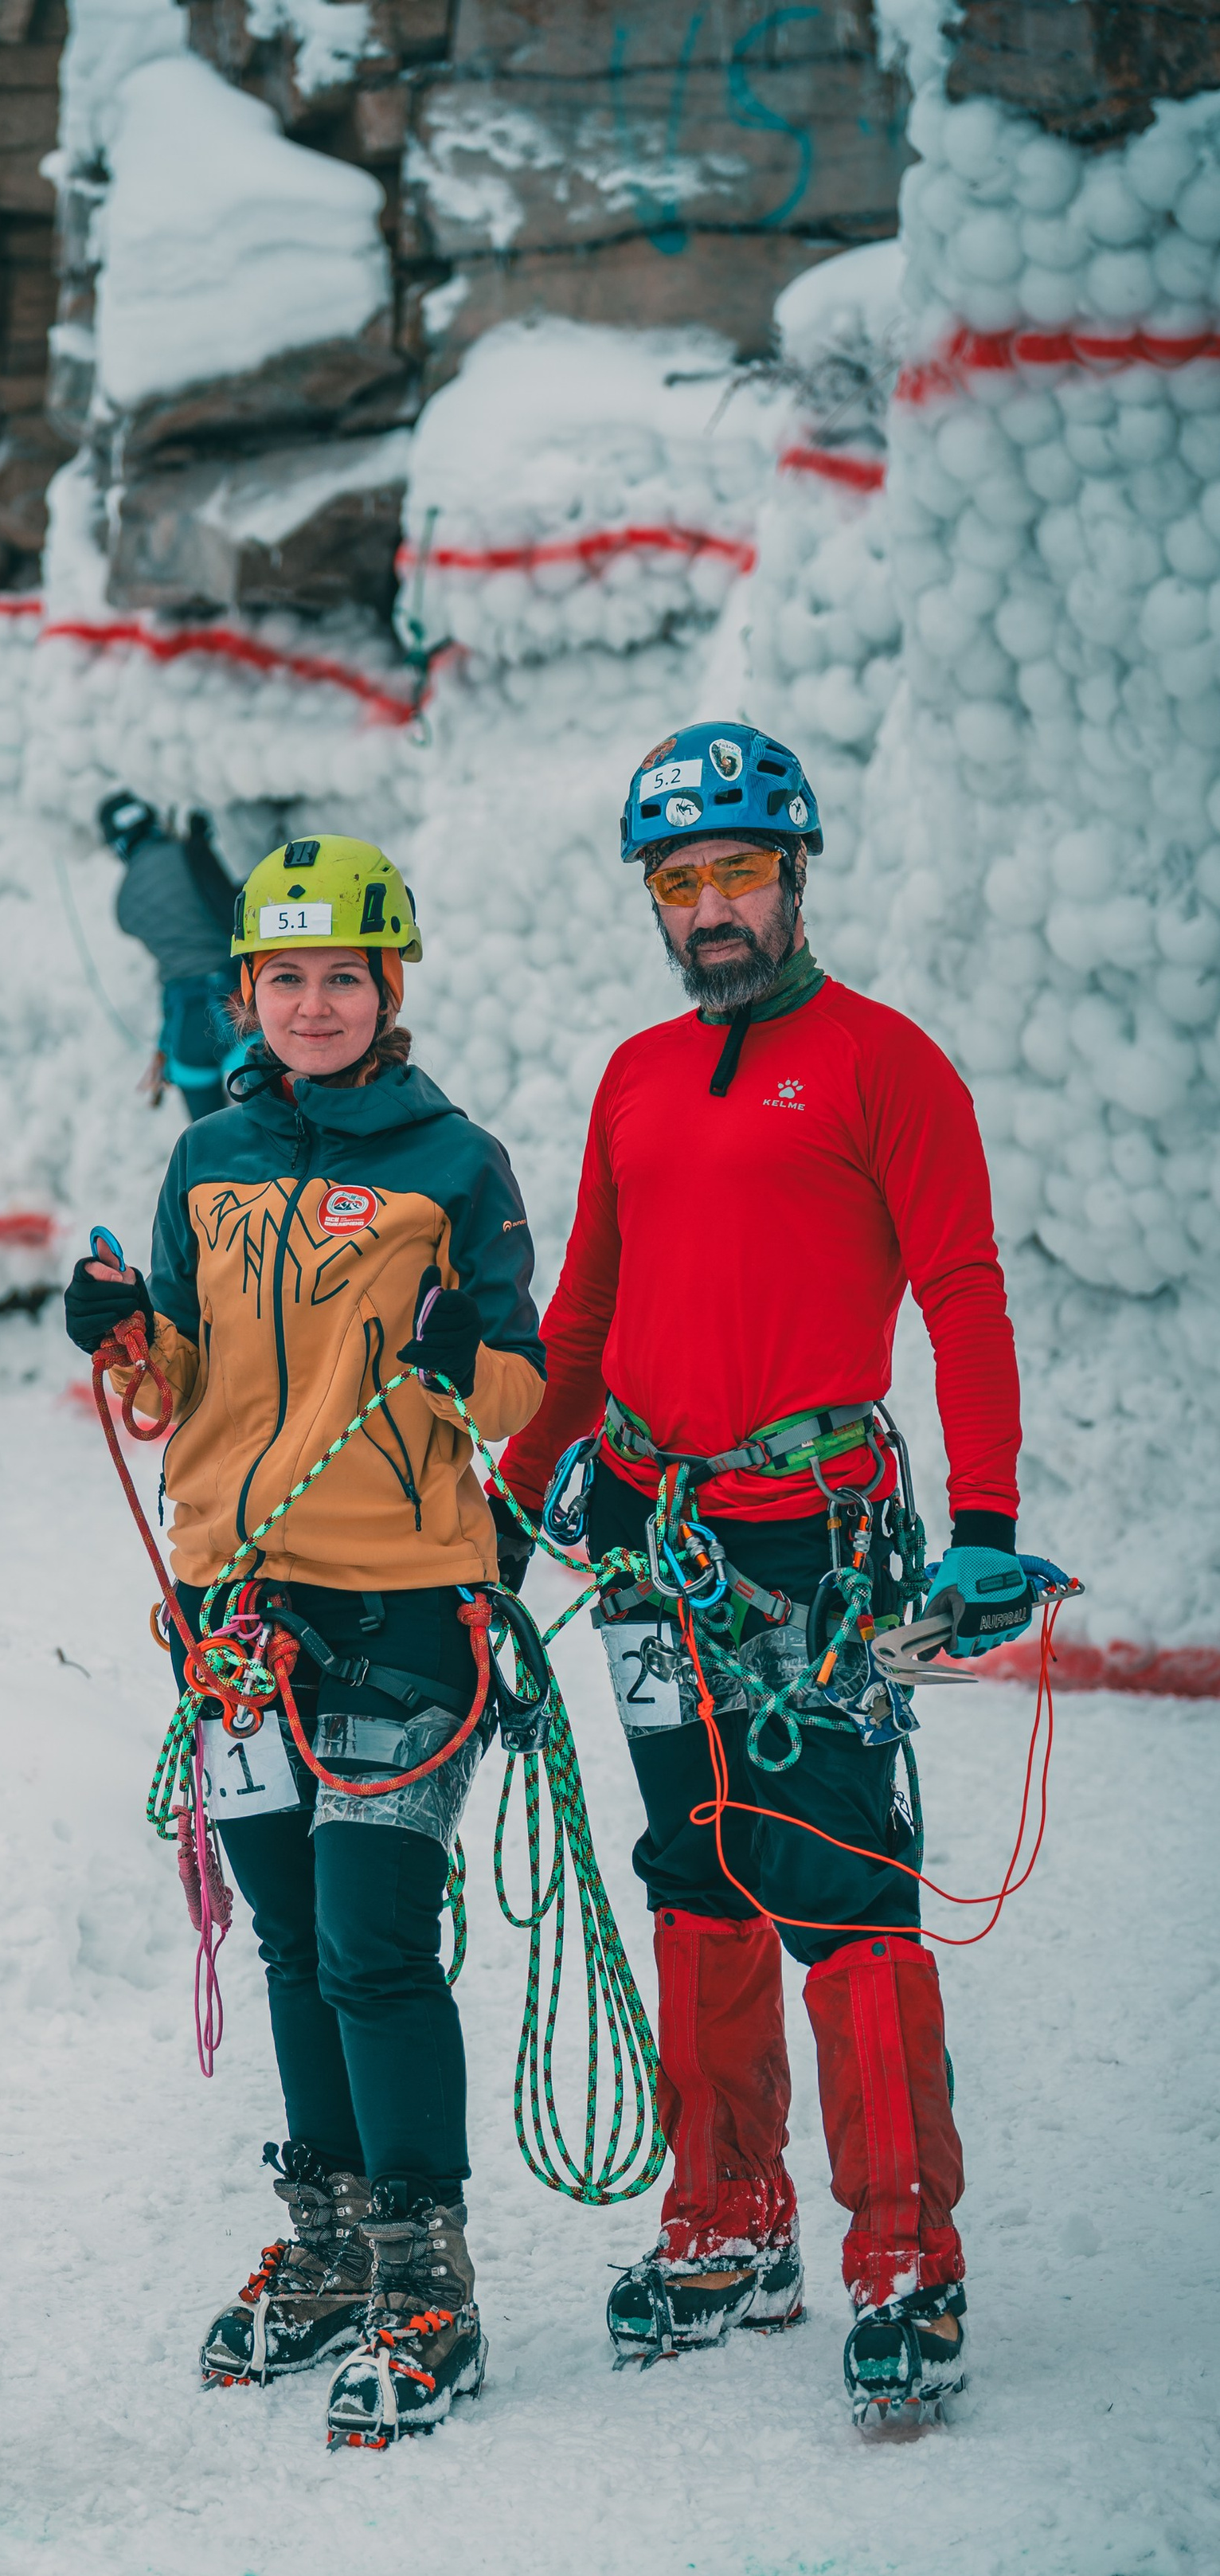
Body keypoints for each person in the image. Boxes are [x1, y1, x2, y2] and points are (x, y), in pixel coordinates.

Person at [493, 720, 1033, 2425]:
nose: (709, 908)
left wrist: (990, 1520)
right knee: (692, 1873)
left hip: (812, 1552)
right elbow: (576, 1321)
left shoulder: (886, 1063)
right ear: (652, 903)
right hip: (653, 1542)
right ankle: (726, 2221)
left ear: (791, 879)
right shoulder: (638, 1076)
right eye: (679, 882)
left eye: (734, 873)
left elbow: (959, 1291)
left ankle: (902, 2258)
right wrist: (503, 1522)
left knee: (845, 1901)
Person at [65, 835, 544, 2448]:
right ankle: (335, 2241)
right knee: (284, 1938)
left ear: (389, 986)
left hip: (403, 1594)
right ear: (246, 992)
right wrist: (127, 1337)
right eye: (286, 977)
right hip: (232, 1607)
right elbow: (174, 1388)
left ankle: (424, 2266)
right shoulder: (201, 1154)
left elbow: (514, 1396)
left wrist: (459, 1352)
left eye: (344, 975)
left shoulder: (452, 1160)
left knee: (369, 1943)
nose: (315, 1002)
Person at [99, 792, 239, 1120]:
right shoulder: (189, 854)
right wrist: (202, 849)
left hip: (184, 1026)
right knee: (283, 1129)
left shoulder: (123, 905)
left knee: (211, 1142)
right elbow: (233, 912)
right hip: (236, 1006)